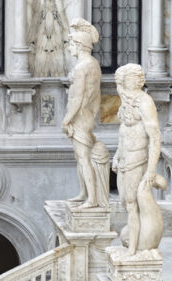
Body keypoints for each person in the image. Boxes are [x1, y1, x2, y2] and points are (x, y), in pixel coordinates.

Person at [112, 63, 166, 255]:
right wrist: (118, 154)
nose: (139, 78)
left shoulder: (144, 101)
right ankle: (133, 244)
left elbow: (155, 136)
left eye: (123, 81)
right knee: (126, 204)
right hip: (125, 158)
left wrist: (151, 170)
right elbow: (124, 130)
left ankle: (132, 251)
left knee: (132, 203)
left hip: (137, 157)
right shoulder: (126, 99)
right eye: (133, 76)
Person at [62, 19, 102, 207]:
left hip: (79, 116)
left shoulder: (81, 68)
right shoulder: (93, 63)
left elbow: (76, 98)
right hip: (87, 114)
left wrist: (66, 120)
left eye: (71, 44)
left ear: (79, 45)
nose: (69, 47)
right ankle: (83, 193)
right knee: (81, 157)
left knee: (83, 157)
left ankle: (92, 199)